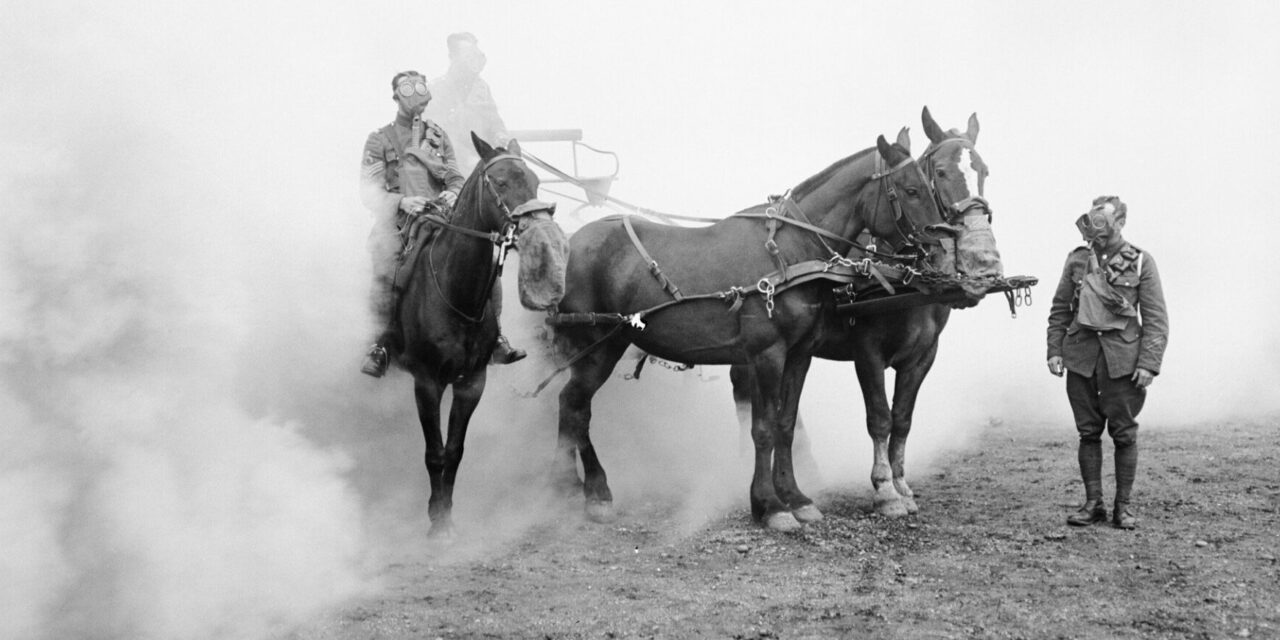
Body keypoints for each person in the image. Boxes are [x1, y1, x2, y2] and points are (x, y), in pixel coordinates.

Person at [359, 70, 524, 378]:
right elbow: (369, 191)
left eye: (418, 86)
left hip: (440, 219)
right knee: (389, 267)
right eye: (406, 89)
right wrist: (402, 202)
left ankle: (496, 336)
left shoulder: (438, 136)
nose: (414, 94)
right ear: (396, 96)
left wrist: (451, 193)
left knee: (485, 261)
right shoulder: (379, 140)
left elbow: (455, 177)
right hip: (399, 223)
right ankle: (382, 343)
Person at [1046, 196, 1168, 529]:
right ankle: (1093, 503)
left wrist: (1149, 363)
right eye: (1094, 219)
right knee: (1088, 433)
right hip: (1082, 359)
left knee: (1124, 434)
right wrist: (1054, 350)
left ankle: (1123, 508)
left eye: (1106, 220)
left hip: (1122, 361)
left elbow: (1156, 319)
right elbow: (1060, 310)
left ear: (1121, 222)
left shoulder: (1141, 261)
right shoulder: (1077, 260)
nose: (1097, 227)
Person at [424, 32, 510, 175]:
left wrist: (500, 135)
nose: (473, 60)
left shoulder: (481, 88)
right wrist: (466, 158)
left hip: (480, 163)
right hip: (446, 167)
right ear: (452, 58)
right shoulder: (436, 90)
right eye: (467, 55)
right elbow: (435, 136)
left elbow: (494, 121)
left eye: (475, 54)